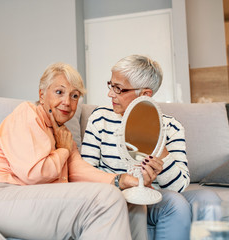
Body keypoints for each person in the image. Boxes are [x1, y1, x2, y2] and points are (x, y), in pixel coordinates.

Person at [0, 62, 145, 240]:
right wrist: (62, 150)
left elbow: (77, 170)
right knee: (106, 198)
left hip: (19, 196)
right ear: (42, 94)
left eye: (74, 95)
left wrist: (121, 180)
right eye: (59, 92)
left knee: (133, 201)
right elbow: (34, 173)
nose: (67, 102)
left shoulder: (63, 133)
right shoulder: (27, 113)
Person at [81, 55, 221, 240]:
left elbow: (179, 186)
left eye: (119, 89)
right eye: (111, 85)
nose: (110, 94)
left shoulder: (171, 127)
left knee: (210, 200)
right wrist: (120, 181)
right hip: (117, 194)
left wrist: (158, 146)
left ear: (145, 94)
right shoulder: (100, 119)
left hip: (156, 195)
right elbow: (84, 172)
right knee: (175, 204)